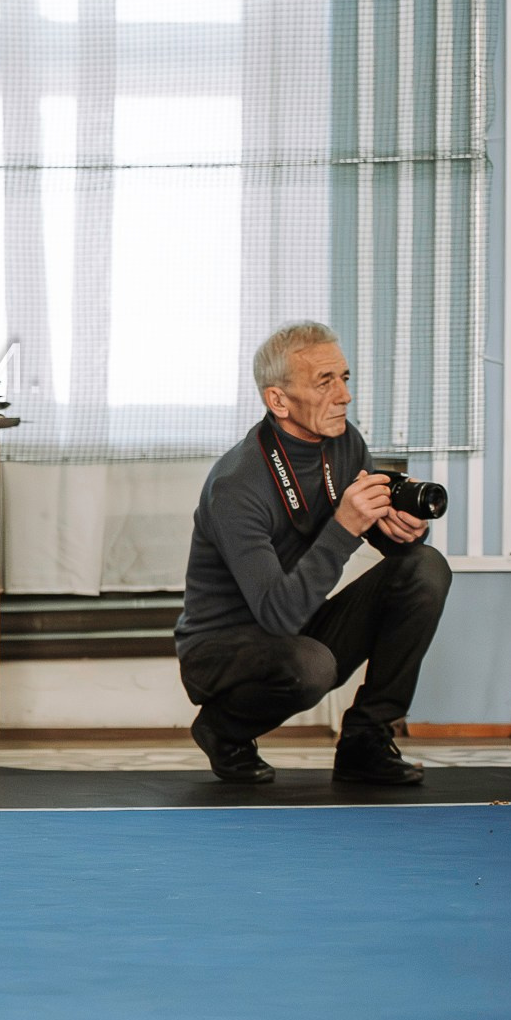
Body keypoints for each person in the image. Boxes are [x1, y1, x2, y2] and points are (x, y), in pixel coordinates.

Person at [174, 322, 450, 785]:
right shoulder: (236, 486)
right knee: (310, 665)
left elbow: (372, 531)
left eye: (344, 378)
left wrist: (402, 531)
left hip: (298, 621)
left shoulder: (344, 442)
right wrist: (345, 525)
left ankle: (366, 739)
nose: (343, 395)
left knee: (424, 569)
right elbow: (278, 614)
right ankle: (223, 729)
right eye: (325, 382)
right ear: (278, 400)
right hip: (222, 646)